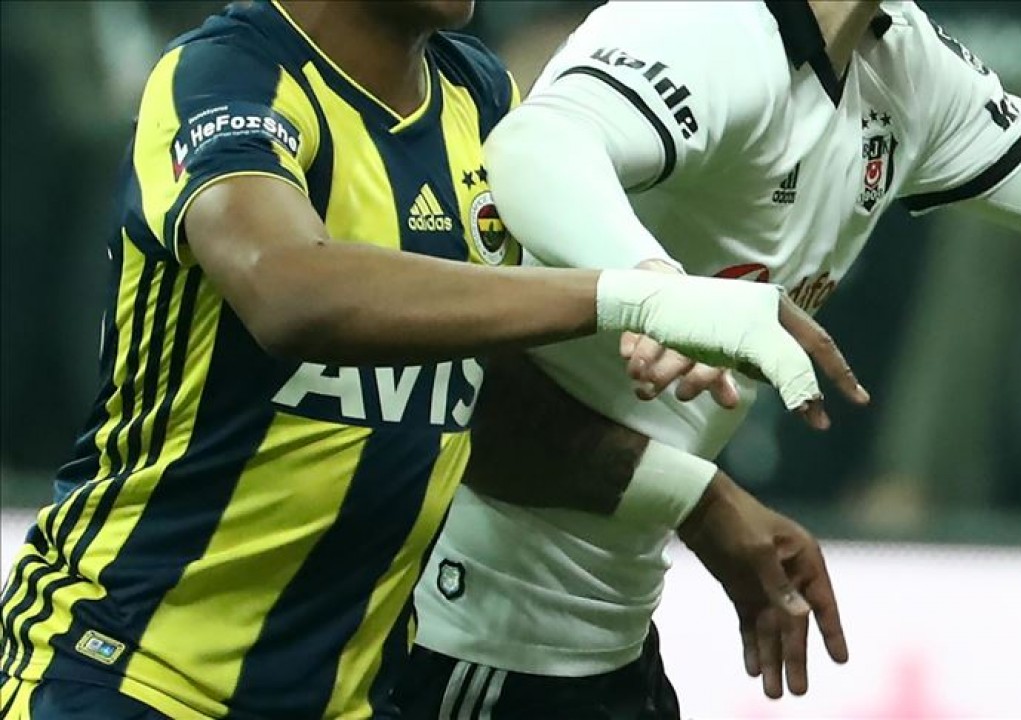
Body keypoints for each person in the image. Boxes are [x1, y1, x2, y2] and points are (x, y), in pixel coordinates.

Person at [402, 0, 1021, 717]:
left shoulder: (907, 63)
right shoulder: (706, 24)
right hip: (472, 625)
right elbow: (537, 146)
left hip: (607, 631)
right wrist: (656, 290)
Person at [0, 1, 864, 718]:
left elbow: (481, 395)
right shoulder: (225, 77)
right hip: (127, 672)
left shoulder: (477, 98)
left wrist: (699, 503)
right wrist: (631, 295)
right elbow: (287, 288)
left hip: (354, 696)